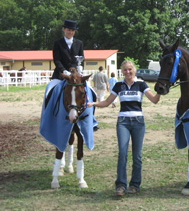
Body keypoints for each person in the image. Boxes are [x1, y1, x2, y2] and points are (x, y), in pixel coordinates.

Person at [87, 60, 161, 196]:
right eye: (125, 70)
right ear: (122, 72)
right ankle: (121, 186)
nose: (128, 72)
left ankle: (135, 185)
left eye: (130, 69)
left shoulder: (141, 84)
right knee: (122, 154)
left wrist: (160, 91)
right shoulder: (118, 85)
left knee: (137, 156)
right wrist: (94, 103)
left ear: (134, 70)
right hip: (123, 122)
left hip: (138, 122)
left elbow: (154, 100)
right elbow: (107, 102)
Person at [51, 19, 99, 131]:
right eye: (68, 30)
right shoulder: (57, 43)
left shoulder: (79, 43)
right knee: (51, 91)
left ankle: (92, 119)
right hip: (61, 75)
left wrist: (80, 67)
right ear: (64, 29)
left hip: (76, 75)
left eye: (72, 30)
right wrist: (64, 71)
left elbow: (81, 59)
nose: (70, 32)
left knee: (92, 92)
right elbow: (56, 60)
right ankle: (50, 115)